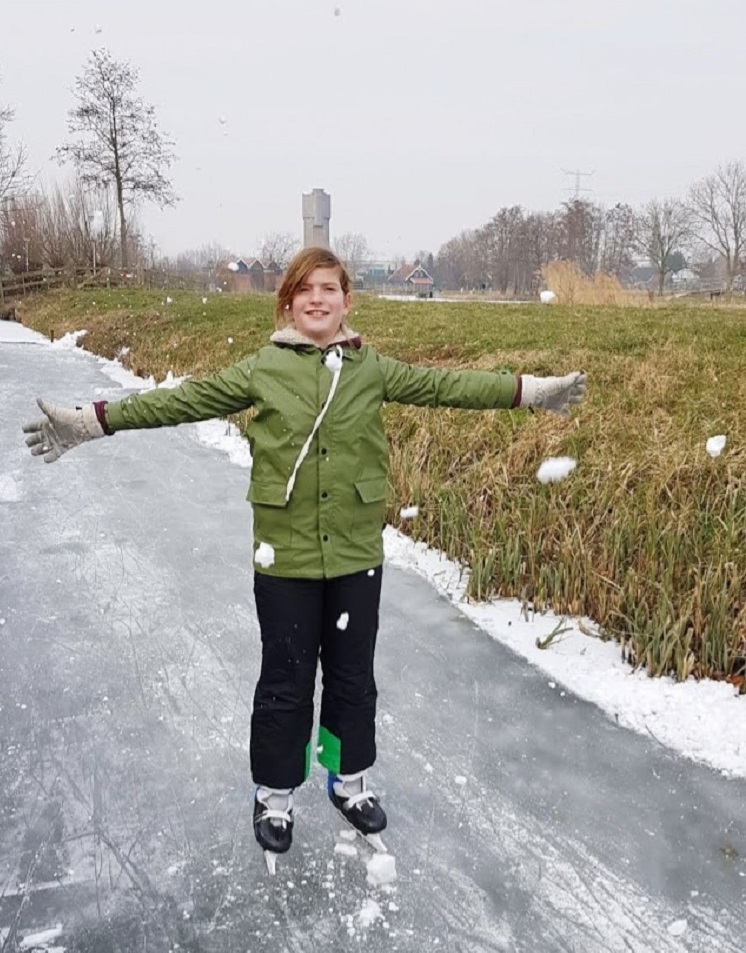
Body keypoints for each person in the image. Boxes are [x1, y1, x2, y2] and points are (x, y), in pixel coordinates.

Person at [22, 246, 587, 865]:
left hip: (354, 553)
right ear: (287, 302)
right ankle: (273, 795)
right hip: (284, 555)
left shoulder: (371, 368)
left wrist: (532, 391)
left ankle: (348, 782)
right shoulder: (262, 368)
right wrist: (93, 420)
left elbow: (449, 384)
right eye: (305, 289)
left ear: (347, 299)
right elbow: (179, 401)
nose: (318, 299)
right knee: (286, 681)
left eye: (330, 288)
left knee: (352, 677)